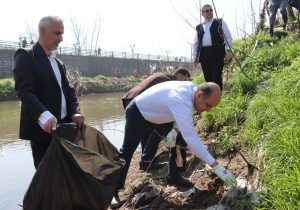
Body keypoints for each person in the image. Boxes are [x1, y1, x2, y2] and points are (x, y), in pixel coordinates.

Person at [114, 81, 237, 205]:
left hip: (161, 114)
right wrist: (216, 166)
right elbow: (192, 139)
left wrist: (174, 131)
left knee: (179, 139)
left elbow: (180, 115)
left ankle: (173, 175)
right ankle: (114, 191)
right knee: (127, 151)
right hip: (138, 112)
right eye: (208, 105)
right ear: (199, 95)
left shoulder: (193, 94)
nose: (209, 110)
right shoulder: (182, 98)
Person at [13, 16, 85, 169]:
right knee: (47, 179)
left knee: (68, 172)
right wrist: (44, 116)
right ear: (43, 31)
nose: (61, 39)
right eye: (57, 33)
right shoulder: (25, 56)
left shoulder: (59, 63)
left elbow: (69, 91)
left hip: (65, 128)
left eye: (62, 34)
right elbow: (24, 92)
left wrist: (75, 112)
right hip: (43, 131)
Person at [122, 68, 191, 175]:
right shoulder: (173, 82)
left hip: (131, 98)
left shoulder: (163, 75)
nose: (185, 84)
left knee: (145, 130)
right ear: (181, 75)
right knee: (157, 130)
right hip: (139, 101)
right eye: (186, 79)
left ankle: (146, 161)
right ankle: (146, 161)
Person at [192, 4, 233, 91]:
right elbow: (195, 43)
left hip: (217, 52)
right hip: (204, 54)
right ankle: (210, 99)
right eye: (207, 11)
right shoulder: (199, 27)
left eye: (211, 10)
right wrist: (195, 56)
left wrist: (228, 50)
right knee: (208, 77)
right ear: (202, 13)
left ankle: (218, 97)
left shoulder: (219, 22)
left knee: (216, 75)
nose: (210, 12)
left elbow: (228, 37)